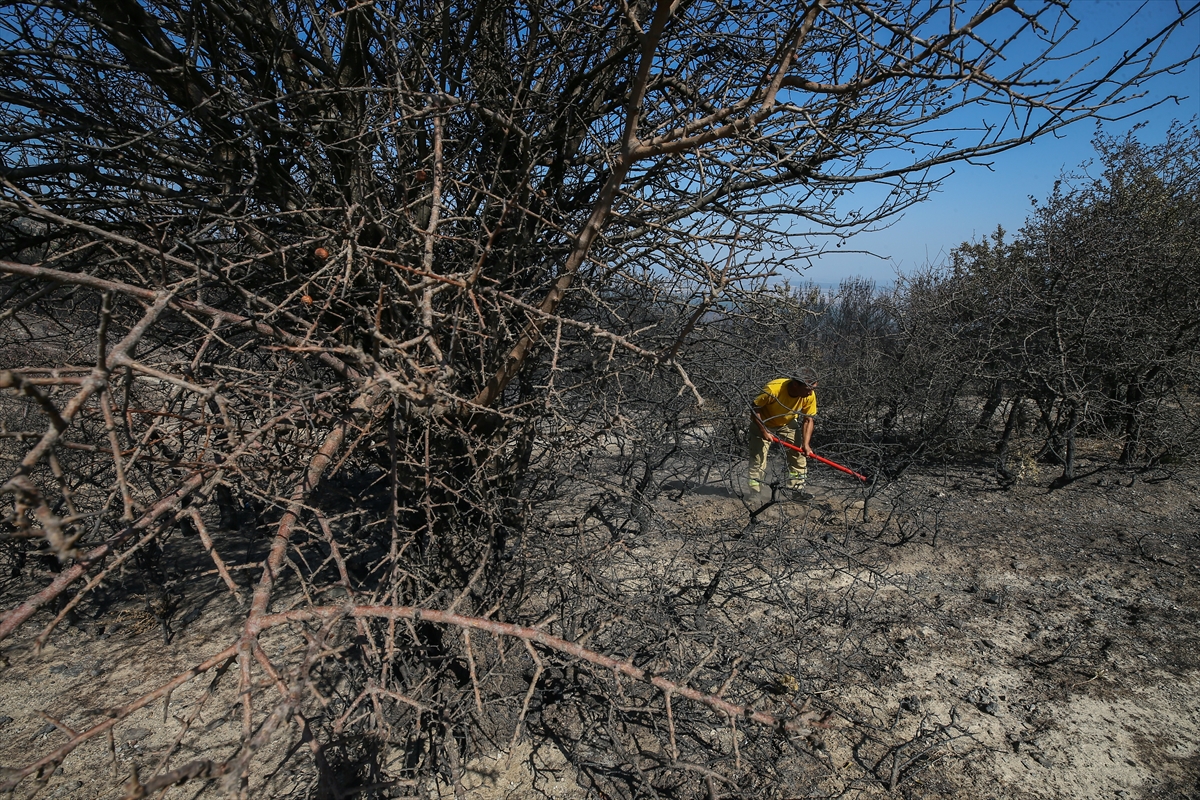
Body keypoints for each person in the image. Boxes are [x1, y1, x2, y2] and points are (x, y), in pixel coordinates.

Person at [748, 375, 817, 498]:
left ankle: (797, 490)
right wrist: (764, 431)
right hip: (764, 421)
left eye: (813, 389)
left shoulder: (809, 395)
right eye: (808, 389)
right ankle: (755, 493)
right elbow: (754, 408)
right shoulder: (773, 389)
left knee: (798, 455)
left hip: (787, 423)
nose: (811, 392)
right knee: (758, 457)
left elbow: (808, 419)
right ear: (796, 384)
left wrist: (806, 445)